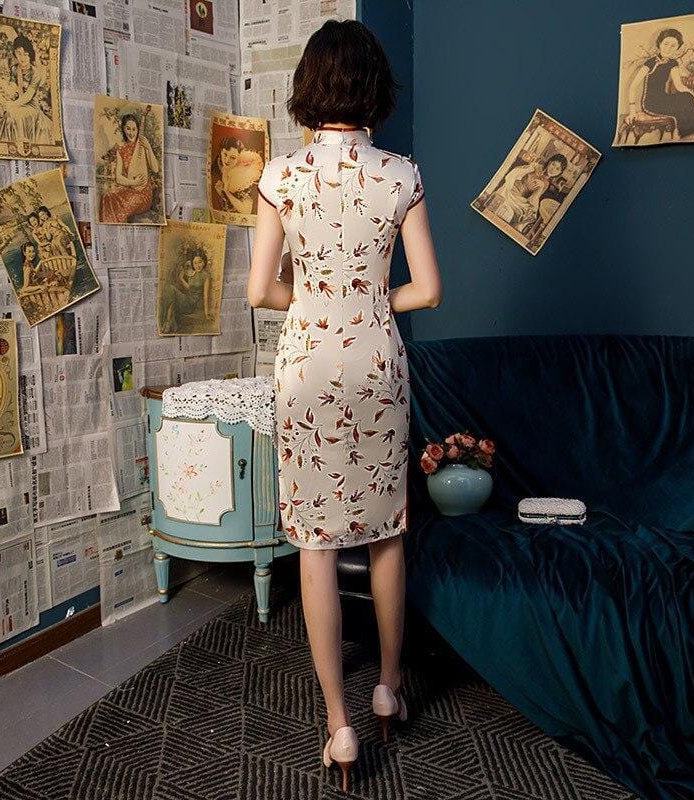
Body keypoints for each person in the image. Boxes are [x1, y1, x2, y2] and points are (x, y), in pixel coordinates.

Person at [248, 18, 442, 793]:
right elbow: (428, 289)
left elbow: (260, 290)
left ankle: (339, 725)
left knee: (316, 544)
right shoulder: (401, 175)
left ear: (309, 88)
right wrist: (371, 302)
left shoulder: (281, 175)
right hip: (376, 362)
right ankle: (388, 687)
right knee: (387, 531)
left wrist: (314, 302)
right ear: (374, 91)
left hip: (307, 366)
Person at [625, 27, 694, 139]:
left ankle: (693, 135)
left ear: (677, 47)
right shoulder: (650, 62)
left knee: (687, 98)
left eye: (673, 46)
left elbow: (679, 86)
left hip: (664, 98)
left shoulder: (673, 63)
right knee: (681, 108)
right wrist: (632, 111)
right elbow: (633, 86)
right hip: (650, 103)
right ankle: (686, 137)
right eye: (666, 44)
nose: (668, 48)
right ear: (660, 44)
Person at [0, 33, 54, 145]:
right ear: (15, 53)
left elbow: (28, 96)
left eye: (25, 54)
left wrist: (13, 105)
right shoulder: (14, 69)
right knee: (10, 115)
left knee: (14, 113)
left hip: (31, 107)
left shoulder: (35, 73)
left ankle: (22, 144)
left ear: (30, 55)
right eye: (19, 53)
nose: (22, 58)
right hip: (18, 104)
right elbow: (11, 90)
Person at [99, 112, 160, 223]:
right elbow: (118, 178)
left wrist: (149, 147)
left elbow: (155, 169)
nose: (131, 133)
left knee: (121, 207)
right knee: (107, 196)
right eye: (128, 129)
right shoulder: (121, 150)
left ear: (138, 130)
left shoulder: (143, 146)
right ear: (123, 129)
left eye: (134, 129)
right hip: (130, 188)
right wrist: (133, 183)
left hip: (143, 193)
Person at [488, 153, 567, 232]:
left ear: (560, 172)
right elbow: (514, 174)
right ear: (549, 162)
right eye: (553, 164)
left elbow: (533, 199)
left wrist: (541, 187)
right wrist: (529, 169)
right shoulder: (535, 167)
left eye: (557, 169)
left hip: (521, 199)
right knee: (512, 214)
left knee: (530, 215)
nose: (553, 169)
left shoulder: (546, 183)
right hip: (512, 191)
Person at [159, 248, 214, 333]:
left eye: (200, 262)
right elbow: (189, 288)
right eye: (195, 263)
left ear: (204, 262)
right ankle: (169, 322)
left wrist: (207, 314)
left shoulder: (206, 276)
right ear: (193, 264)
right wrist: (181, 278)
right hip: (186, 299)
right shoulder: (193, 273)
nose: (198, 265)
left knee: (170, 289)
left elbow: (205, 295)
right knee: (169, 289)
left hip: (190, 305)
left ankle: (169, 323)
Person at [210, 136, 264, 215]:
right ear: (221, 151)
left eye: (233, 157)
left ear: (239, 157)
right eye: (225, 154)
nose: (227, 160)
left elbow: (247, 210)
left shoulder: (243, 175)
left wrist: (226, 192)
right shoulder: (216, 166)